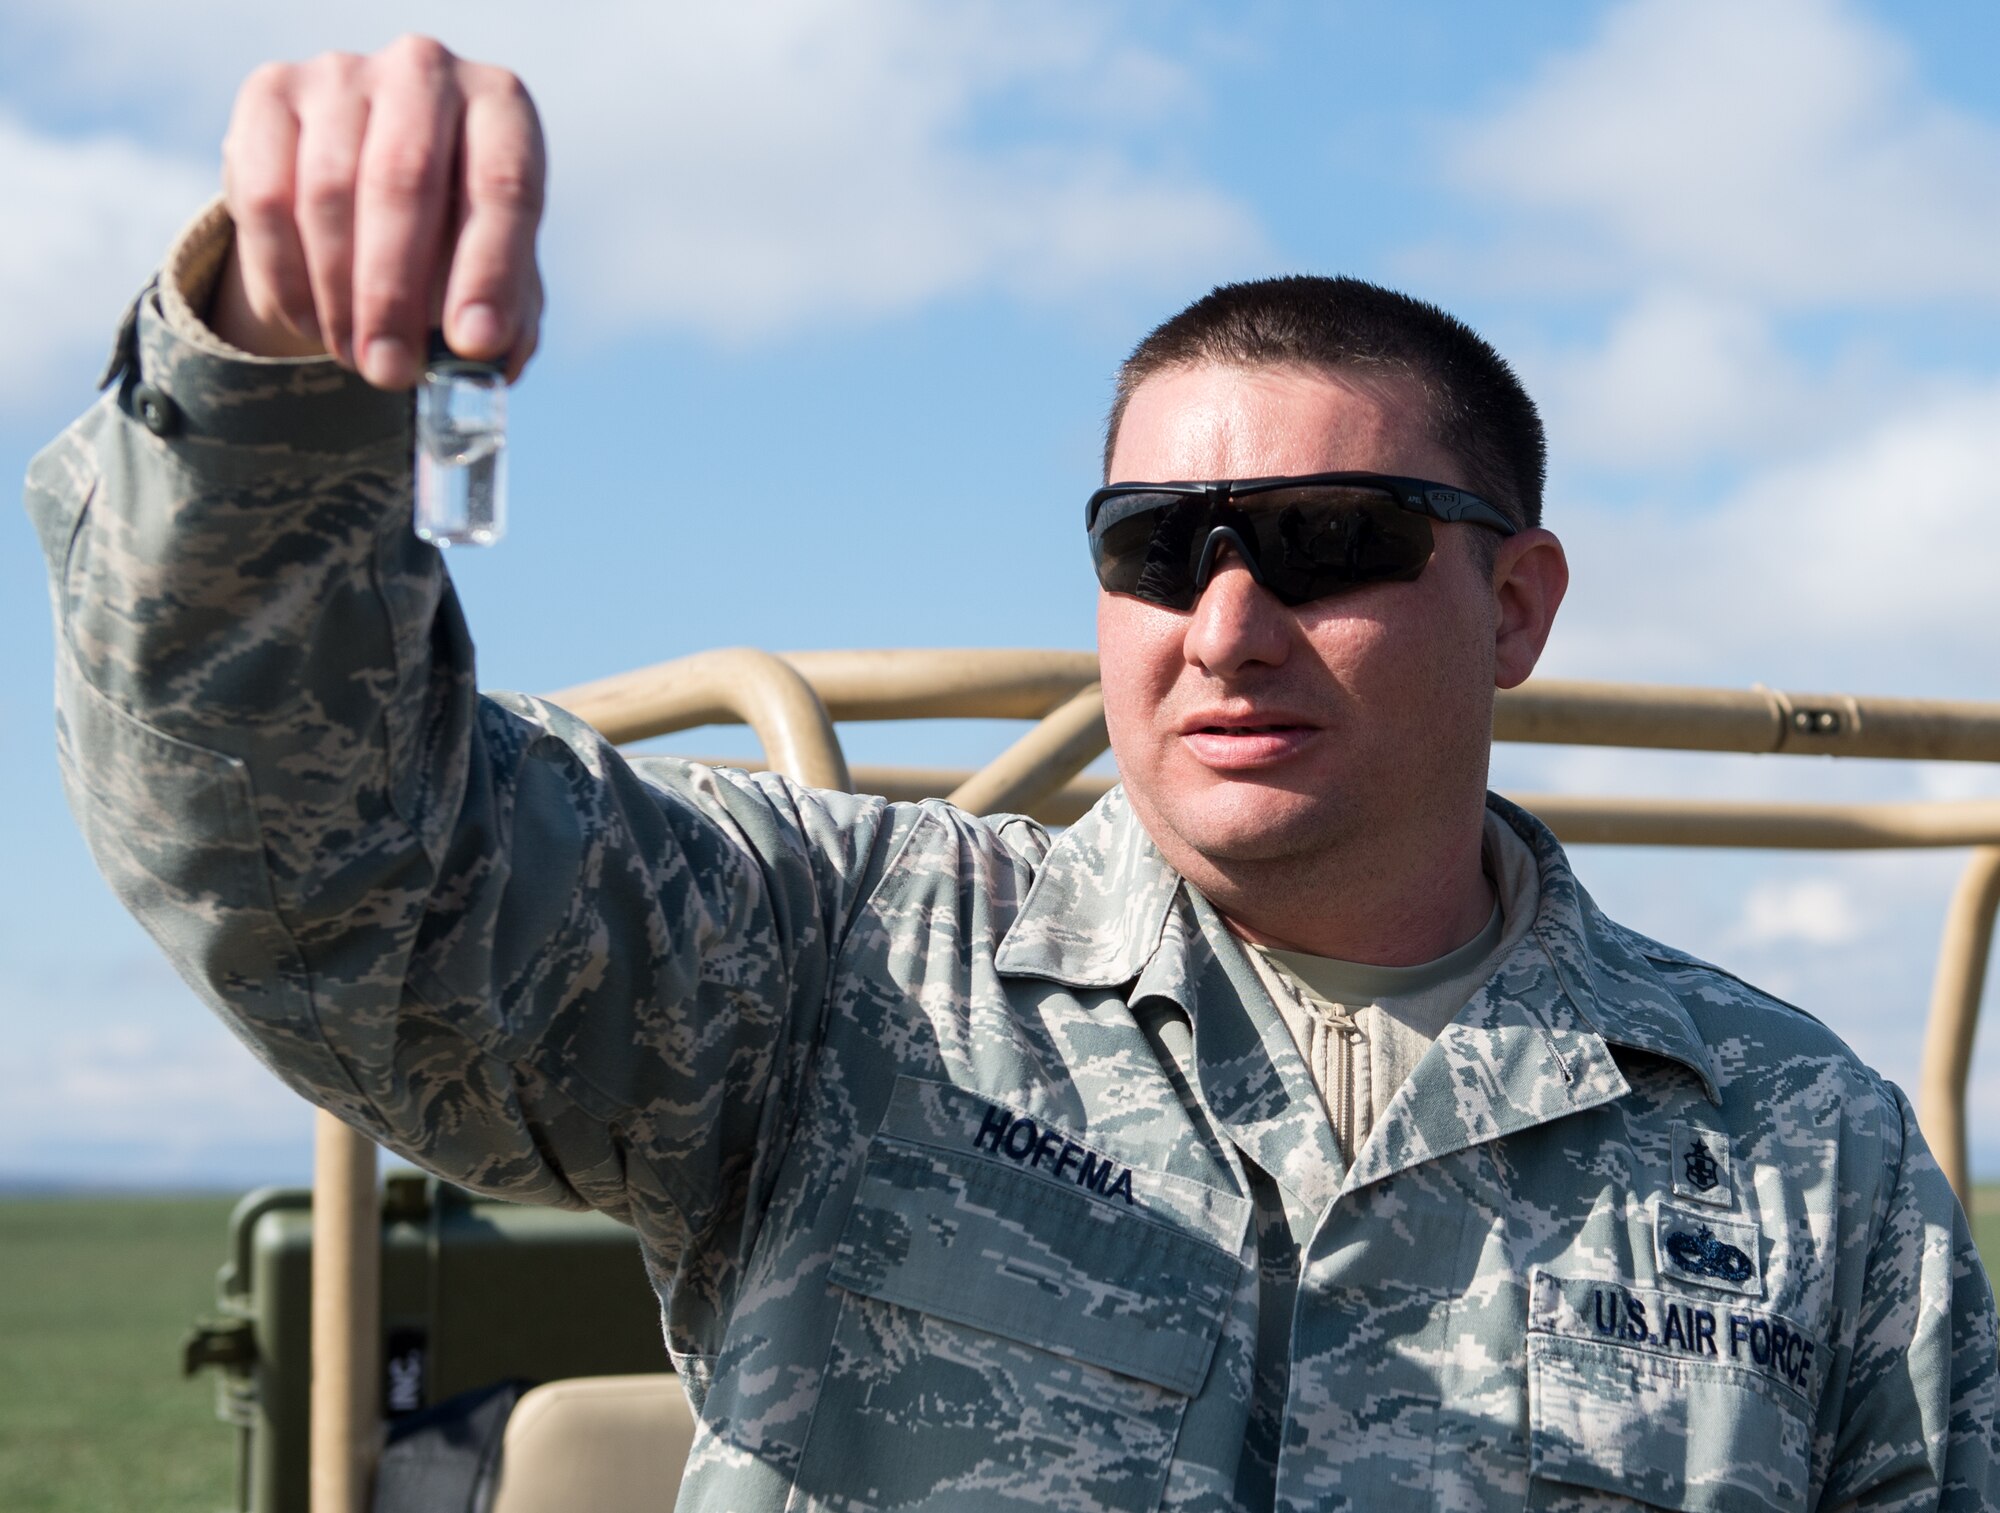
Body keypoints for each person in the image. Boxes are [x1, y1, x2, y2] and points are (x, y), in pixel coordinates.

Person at [27, 37, 1997, 1513]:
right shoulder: (836, 968)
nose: (1221, 623)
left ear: (1515, 606)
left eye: (1324, 539)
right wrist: (272, 376)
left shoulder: (1794, 1145)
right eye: (1156, 546)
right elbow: (327, 871)